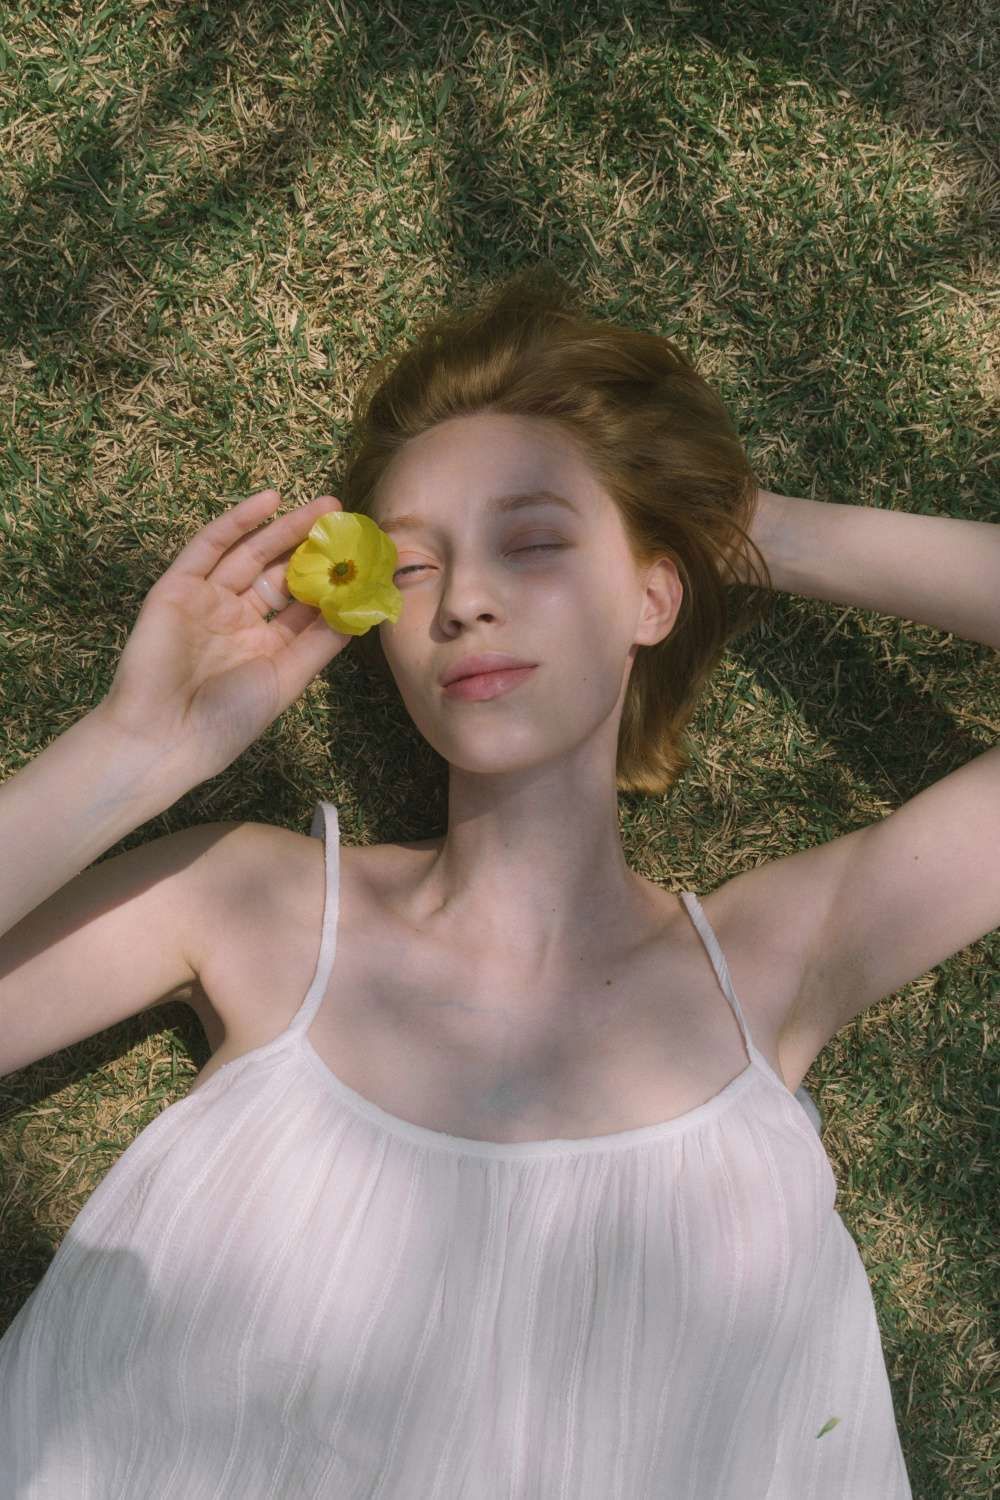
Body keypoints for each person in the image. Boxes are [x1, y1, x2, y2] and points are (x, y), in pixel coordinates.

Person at [9, 262, 996, 1495]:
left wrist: (727, 524)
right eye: (412, 569)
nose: (466, 600)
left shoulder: (768, 966)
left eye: (533, 542)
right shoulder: (250, 905)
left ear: (651, 596)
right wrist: (134, 753)